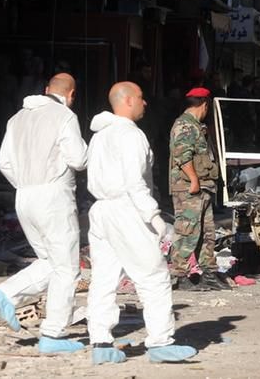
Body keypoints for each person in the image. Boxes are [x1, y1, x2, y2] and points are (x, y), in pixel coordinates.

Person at [85, 81, 197, 364]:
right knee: (154, 276)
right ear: (128, 101)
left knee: (104, 278)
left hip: (101, 211)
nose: (146, 103)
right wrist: (156, 219)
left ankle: (100, 342)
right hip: (127, 209)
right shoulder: (131, 135)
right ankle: (160, 341)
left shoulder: (99, 136)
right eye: (141, 98)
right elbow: (135, 183)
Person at [0, 73, 87, 353]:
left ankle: (5, 294)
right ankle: (53, 336)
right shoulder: (64, 116)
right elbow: (78, 159)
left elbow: (3, 162)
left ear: (46, 90)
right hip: (53, 195)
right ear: (71, 94)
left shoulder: (16, 118)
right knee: (67, 268)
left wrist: (24, 183)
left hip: (24, 195)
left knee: (49, 261)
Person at [169, 87, 231, 291]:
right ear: (205, 104)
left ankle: (209, 272)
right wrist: (194, 179)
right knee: (187, 231)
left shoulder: (197, 126)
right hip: (188, 188)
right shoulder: (184, 126)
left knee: (207, 232)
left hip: (203, 186)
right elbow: (182, 156)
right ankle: (180, 274)